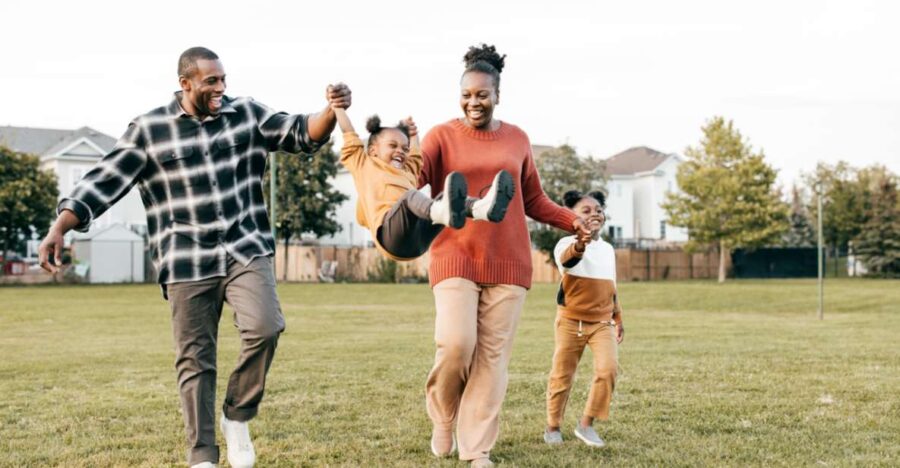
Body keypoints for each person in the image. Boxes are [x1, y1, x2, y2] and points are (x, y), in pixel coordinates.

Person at [37, 46, 351, 468]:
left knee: (265, 327)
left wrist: (330, 110)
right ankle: (202, 455)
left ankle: (237, 415)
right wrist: (60, 226)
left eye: (223, 79)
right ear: (185, 83)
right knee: (195, 359)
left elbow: (300, 132)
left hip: (244, 247)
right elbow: (103, 181)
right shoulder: (150, 130)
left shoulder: (246, 113)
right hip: (185, 258)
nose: (221, 88)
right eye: (211, 81)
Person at [418, 44, 591, 467]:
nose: (473, 102)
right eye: (466, 95)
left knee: (491, 361)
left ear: (498, 95)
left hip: (509, 263)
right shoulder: (440, 136)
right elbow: (412, 181)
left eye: (482, 94)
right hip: (454, 255)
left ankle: (477, 449)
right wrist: (396, 150)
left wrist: (573, 221)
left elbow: (534, 199)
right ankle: (444, 416)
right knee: (456, 344)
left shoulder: (517, 138)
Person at [333, 107, 514, 261]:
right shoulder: (364, 165)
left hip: (418, 242)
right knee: (411, 197)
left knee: (444, 197)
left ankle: (483, 209)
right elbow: (349, 134)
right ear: (373, 150)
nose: (400, 151)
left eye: (404, 148)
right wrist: (338, 107)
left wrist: (413, 134)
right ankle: (441, 212)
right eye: (393, 146)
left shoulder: (408, 172)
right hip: (390, 238)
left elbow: (416, 155)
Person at [543, 190, 625, 448]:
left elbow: (611, 284)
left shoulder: (608, 249)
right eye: (586, 211)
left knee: (608, 369)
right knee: (562, 375)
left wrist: (618, 315)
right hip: (570, 322)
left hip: (602, 322)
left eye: (598, 210)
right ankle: (552, 426)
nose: (594, 214)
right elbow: (569, 260)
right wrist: (581, 242)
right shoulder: (565, 244)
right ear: (573, 216)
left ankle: (586, 424)